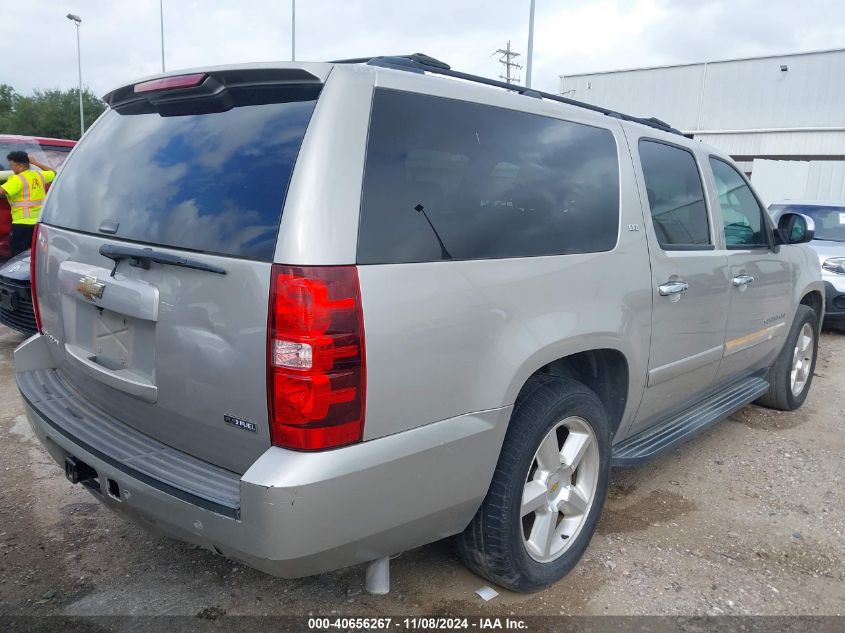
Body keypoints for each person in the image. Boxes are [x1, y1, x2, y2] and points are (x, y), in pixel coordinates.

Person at [1, 151, 56, 256]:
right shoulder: (39, 175)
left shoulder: (17, 179)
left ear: (20, 166)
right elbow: (54, 173)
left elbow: (1, 191)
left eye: (12, 165)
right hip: (39, 224)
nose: (11, 168)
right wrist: (36, 163)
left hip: (22, 224)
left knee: (17, 257)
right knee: (36, 255)